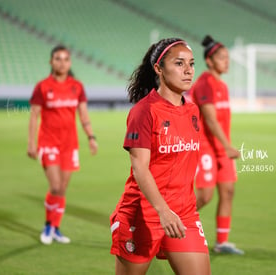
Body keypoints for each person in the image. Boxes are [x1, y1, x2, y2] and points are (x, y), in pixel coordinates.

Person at [110, 38, 211, 275]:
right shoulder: (144, 112)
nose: (188, 70)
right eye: (179, 63)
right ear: (159, 68)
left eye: (192, 64)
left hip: (183, 214)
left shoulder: (193, 111)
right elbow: (140, 169)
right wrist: (162, 210)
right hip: (143, 213)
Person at [27, 45, 98, 245]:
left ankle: (56, 228)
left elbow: (83, 113)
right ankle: (48, 225)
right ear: (51, 62)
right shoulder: (42, 86)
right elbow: (34, 116)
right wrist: (31, 143)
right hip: (48, 143)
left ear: (70, 63)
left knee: (63, 189)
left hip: (70, 145)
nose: (62, 62)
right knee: (56, 186)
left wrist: (91, 137)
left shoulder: (77, 86)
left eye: (66, 59)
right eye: (58, 59)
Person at [186, 35, 244, 255]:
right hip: (206, 147)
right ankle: (169, 224)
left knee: (228, 191)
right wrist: (228, 146)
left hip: (222, 147)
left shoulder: (222, 85)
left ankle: (222, 243)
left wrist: (226, 146)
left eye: (227, 57)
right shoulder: (204, 84)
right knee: (205, 196)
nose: (226, 61)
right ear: (209, 61)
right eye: (221, 57)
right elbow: (209, 119)